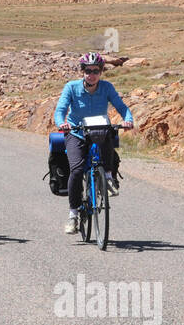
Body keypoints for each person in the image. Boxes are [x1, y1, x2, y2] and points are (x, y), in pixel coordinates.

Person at [54, 52, 134, 234]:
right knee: (76, 170)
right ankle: (73, 215)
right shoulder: (71, 87)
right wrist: (62, 123)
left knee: (109, 135)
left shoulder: (107, 88)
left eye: (96, 71)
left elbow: (121, 107)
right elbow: (60, 109)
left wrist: (128, 120)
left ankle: (107, 177)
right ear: (82, 71)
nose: (92, 74)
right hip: (77, 132)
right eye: (88, 70)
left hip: (99, 129)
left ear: (101, 72)